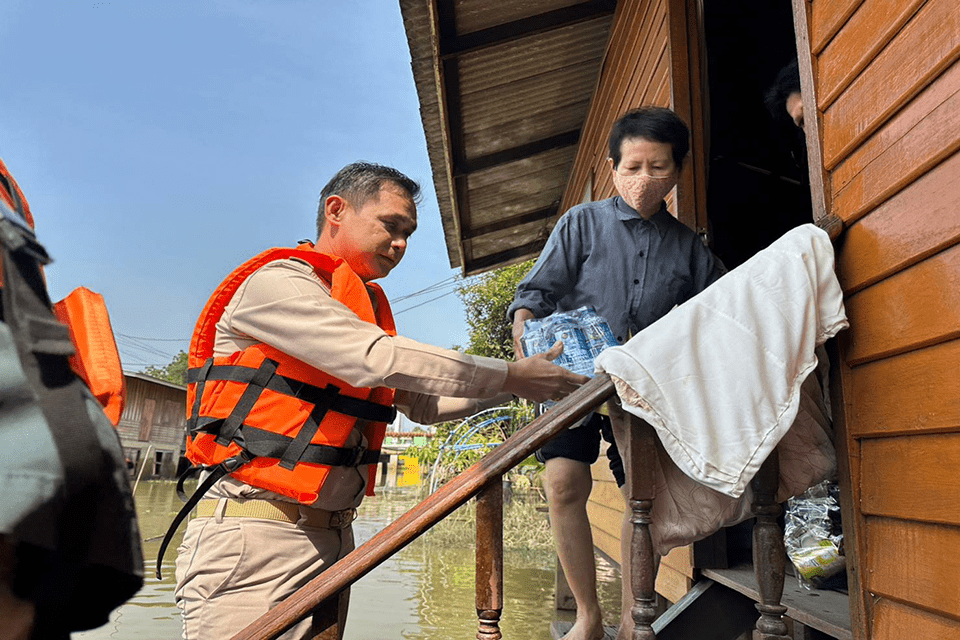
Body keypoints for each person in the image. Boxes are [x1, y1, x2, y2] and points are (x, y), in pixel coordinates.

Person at [173, 161, 588, 640]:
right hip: (255, 538)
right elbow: (372, 358)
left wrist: (516, 385)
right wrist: (513, 372)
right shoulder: (276, 285)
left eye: (409, 234)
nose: (401, 245)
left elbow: (426, 404)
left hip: (331, 538)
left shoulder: (360, 306)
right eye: (391, 227)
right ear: (336, 210)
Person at [508, 107, 723, 640]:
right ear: (612, 168)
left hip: (644, 386)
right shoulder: (581, 223)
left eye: (658, 168)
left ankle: (632, 618)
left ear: (678, 172)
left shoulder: (689, 249)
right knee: (562, 483)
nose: (644, 180)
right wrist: (524, 337)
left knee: (640, 502)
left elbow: (720, 309)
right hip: (575, 376)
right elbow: (534, 295)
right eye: (632, 168)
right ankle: (588, 615)